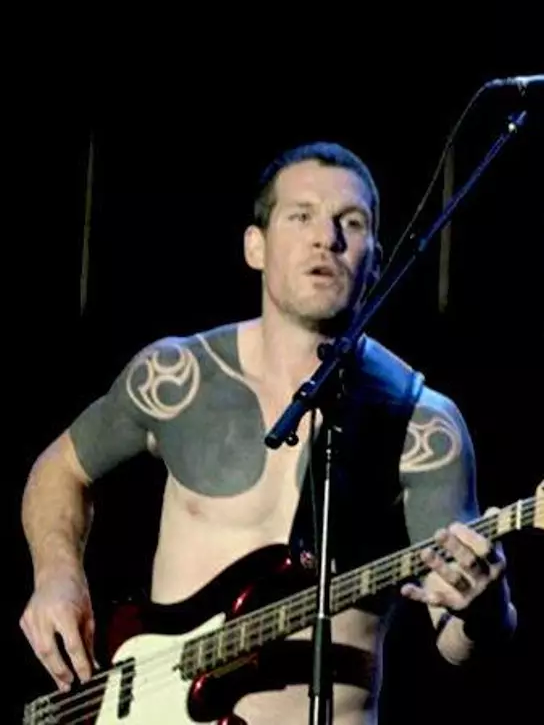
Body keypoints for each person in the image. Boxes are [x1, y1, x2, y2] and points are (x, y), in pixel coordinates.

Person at [19, 142, 517, 723]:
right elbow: (61, 469)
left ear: (377, 260)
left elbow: (457, 641)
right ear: (255, 246)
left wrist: (485, 610)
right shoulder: (178, 375)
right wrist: (56, 575)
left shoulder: (422, 425)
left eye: (351, 223)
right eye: (301, 216)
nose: (326, 238)